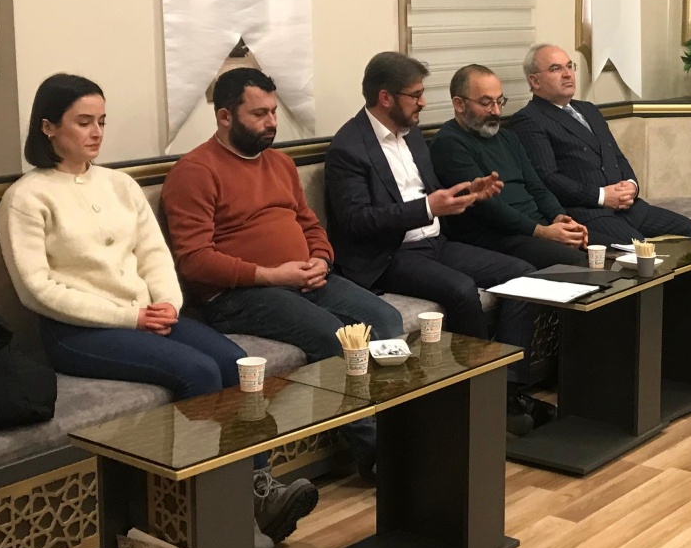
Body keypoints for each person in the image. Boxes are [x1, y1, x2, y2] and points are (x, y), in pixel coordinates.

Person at [0, 74, 316, 548]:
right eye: (83, 122)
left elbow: (154, 255)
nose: (97, 133)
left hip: (149, 314)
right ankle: (216, 518)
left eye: (102, 121)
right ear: (48, 127)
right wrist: (131, 315)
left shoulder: (119, 185)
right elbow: (37, 290)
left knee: (237, 363)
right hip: (79, 331)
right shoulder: (26, 197)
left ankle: (259, 487)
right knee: (198, 372)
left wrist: (167, 302)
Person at [160, 67, 405, 477]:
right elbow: (194, 260)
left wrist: (321, 259)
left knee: (386, 319)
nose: (271, 122)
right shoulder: (194, 172)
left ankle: (399, 431)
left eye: (273, 112)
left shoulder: (279, 163)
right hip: (237, 296)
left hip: (304, 279)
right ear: (225, 116)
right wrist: (272, 275)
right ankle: (376, 455)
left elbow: (310, 224)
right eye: (259, 114)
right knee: (336, 337)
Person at [323, 53, 545, 426]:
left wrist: (468, 191)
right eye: (415, 95)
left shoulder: (413, 136)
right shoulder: (349, 147)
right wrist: (427, 208)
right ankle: (475, 400)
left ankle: (507, 391)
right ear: (386, 98)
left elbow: (432, 192)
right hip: (389, 254)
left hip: (435, 242)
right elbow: (356, 221)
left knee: (521, 274)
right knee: (461, 289)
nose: (424, 102)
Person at [509, 43, 691, 246]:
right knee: (636, 247)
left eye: (569, 66)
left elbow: (616, 156)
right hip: (587, 212)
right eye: (556, 68)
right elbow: (547, 178)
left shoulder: (589, 110)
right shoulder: (529, 119)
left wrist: (631, 186)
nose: (567, 74)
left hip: (628, 207)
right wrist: (602, 196)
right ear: (534, 81)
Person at [429, 64, 589, 269]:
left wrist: (560, 218)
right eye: (486, 103)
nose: (496, 111)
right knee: (578, 262)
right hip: (495, 236)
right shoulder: (449, 143)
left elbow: (536, 187)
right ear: (459, 104)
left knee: (604, 248)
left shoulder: (508, 137)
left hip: (535, 226)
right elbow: (489, 208)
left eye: (500, 101)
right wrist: (542, 232)